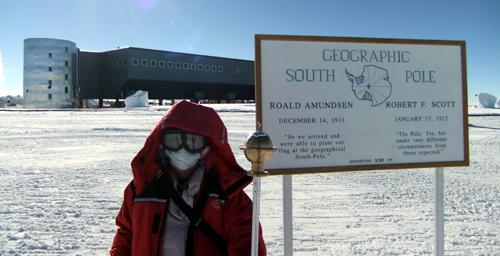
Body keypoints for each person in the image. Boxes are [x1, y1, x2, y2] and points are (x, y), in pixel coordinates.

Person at [111, 100, 266, 256]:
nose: (182, 150)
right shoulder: (140, 191)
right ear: (161, 144)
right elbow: (125, 237)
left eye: (192, 142)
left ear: (207, 147)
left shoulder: (231, 199)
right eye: (175, 141)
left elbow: (247, 244)